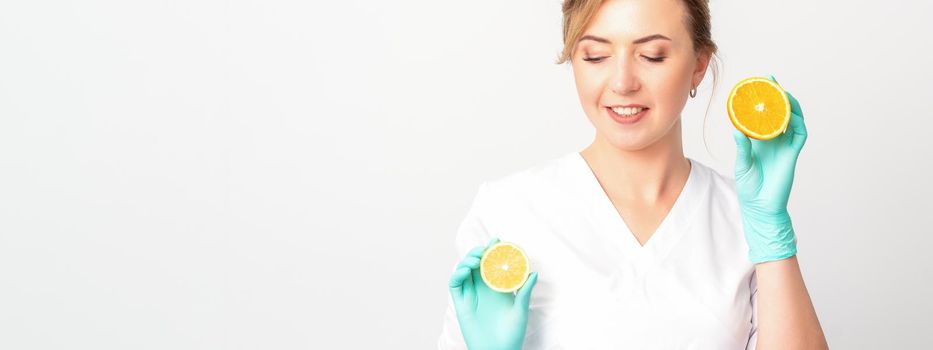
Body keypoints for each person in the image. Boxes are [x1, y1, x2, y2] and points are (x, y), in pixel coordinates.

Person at [437, 0, 829, 349]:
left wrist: (772, 236)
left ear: (698, 66)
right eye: (595, 56)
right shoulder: (508, 212)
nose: (622, 83)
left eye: (653, 56)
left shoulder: (745, 222)